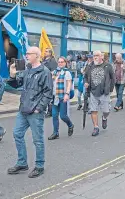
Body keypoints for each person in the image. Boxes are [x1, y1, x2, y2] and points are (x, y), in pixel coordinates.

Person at [8, 46, 53, 178]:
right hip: (23, 109)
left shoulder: (45, 72)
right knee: (17, 134)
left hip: (35, 111)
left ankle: (39, 166)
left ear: (36, 55)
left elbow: (48, 93)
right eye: (26, 53)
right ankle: (22, 163)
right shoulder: (27, 70)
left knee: (37, 140)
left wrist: (39, 108)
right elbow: (17, 84)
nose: (26, 55)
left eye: (29, 54)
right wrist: (12, 74)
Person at [84, 50, 115, 136]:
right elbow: (85, 77)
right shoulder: (90, 66)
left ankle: (104, 118)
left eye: (97, 55)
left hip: (104, 92)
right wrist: (86, 83)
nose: (95, 57)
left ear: (101, 57)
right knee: (94, 110)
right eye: (94, 55)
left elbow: (113, 78)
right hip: (93, 92)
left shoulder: (107, 66)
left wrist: (110, 89)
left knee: (106, 111)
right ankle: (96, 127)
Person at [48, 57, 74, 140]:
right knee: (54, 115)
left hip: (63, 97)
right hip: (55, 97)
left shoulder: (67, 73)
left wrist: (67, 94)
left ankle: (70, 125)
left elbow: (69, 84)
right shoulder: (54, 72)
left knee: (63, 116)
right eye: (59, 62)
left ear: (65, 63)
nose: (60, 63)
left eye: (62, 62)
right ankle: (55, 133)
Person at [42, 48, 57, 118]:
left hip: (49, 81)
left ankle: (50, 111)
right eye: (45, 51)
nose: (45, 52)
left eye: (46, 51)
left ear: (50, 53)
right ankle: (44, 110)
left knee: (49, 97)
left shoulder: (52, 61)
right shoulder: (43, 60)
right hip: (42, 81)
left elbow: (54, 72)